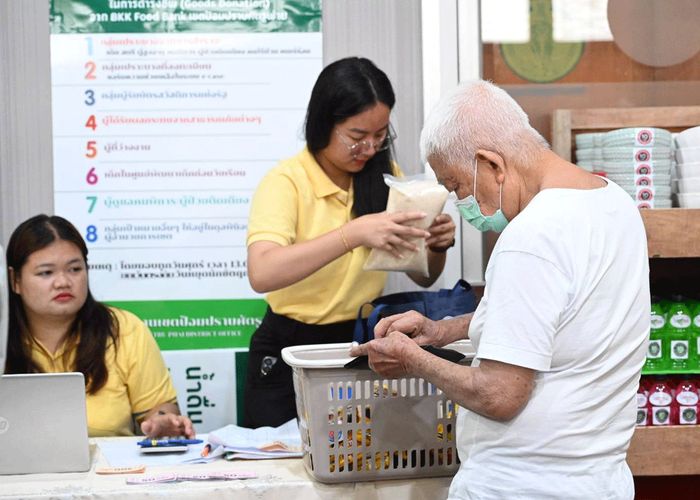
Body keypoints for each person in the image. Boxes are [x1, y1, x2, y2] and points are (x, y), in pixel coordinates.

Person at [351, 80, 650, 499]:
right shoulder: (612, 203)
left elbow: (499, 393)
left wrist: (413, 359)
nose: (461, 203)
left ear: (491, 163)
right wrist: (442, 330)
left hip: (522, 485)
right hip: (600, 481)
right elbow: (559, 314)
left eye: (456, 186)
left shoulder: (532, 235)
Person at [243, 56, 456, 428]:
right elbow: (262, 272)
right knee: (282, 463)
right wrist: (353, 234)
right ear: (324, 123)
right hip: (289, 344)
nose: (370, 148)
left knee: (355, 459)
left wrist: (435, 246)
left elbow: (423, 277)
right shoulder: (286, 181)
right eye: (357, 137)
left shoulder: (385, 176)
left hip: (359, 340)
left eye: (380, 135)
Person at [5, 214, 195, 438]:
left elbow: (160, 410)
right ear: (15, 279)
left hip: (109, 470)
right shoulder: (3, 338)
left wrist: (164, 423)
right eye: (46, 273)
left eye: (75, 269)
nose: (63, 282)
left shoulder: (124, 329)